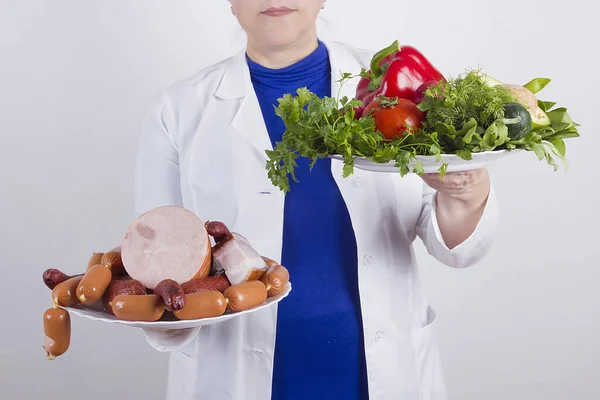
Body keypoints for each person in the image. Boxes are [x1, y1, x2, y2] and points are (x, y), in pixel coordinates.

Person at [134, 1, 499, 399]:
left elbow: (451, 243)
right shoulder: (178, 110)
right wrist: (162, 312)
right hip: (234, 376)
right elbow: (154, 262)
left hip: (377, 375)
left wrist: (467, 190)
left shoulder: (398, 86)